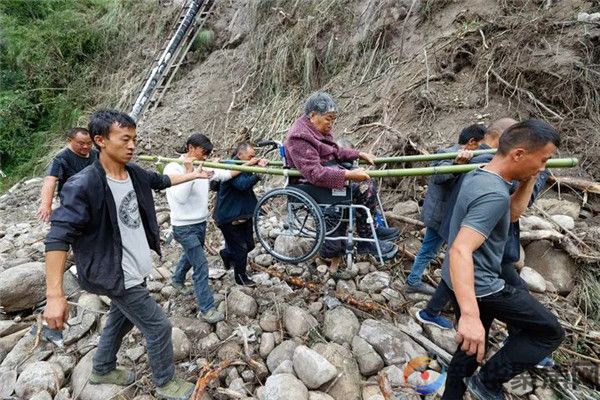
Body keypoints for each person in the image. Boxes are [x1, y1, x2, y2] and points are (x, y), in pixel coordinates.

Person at [44, 110, 210, 400]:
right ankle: (165, 382)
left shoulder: (133, 173)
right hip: (113, 272)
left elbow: (161, 181)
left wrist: (194, 173)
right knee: (158, 326)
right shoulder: (83, 184)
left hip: (135, 266)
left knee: (121, 319)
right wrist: (54, 295)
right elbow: (58, 237)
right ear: (101, 141)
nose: (132, 145)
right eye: (125, 139)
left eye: (134, 139)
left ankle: (102, 368)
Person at [440, 119, 564, 400]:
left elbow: (512, 214)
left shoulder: (480, 174)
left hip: (459, 279)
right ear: (518, 154)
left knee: (471, 349)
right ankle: (488, 382)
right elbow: (460, 249)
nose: (544, 167)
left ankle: (453, 395)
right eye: (542, 160)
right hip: (482, 285)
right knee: (548, 332)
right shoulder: (493, 194)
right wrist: (469, 316)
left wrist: (529, 176)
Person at [284, 91, 399, 260]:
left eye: (333, 119)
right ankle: (366, 241)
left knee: (367, 184)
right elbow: (314, 173)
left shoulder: (318, 128)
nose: (331, 123)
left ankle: (370, 228)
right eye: (328, 118)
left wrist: (358, 154)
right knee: (362, 187)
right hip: (311, 184)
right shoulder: (299, 136)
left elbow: (335, 151)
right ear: (313, 115)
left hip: (327, 173)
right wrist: (348, 174)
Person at [164, 133, 242, 323]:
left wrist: (249, 165)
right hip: (183, 227)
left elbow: (224, 174)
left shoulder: (203, 164)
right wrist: (191, 172)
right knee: (201, 265)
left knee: (191, 256)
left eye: (208, 153)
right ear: (191, 148)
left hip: (200, 223)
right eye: (203, 152)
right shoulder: (172, 167)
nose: (206, 156)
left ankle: (176, 280)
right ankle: (207, 309)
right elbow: (180, 197)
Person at [404, 123, 486, 295]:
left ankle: (421, 280)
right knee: (430, 248)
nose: (482, 149)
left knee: (435, 248)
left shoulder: (473, 157)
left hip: (451, 214)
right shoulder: (446, 153)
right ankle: (413, 280)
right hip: (440, 213)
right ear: (471, 142)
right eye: (480, 144)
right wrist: (456, 164)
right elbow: (440, 175)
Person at [215, 142, 268, 286]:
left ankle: (226, 253)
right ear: (240, 155)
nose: (253, 159)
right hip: (229, 216)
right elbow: (242, 185)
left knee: (250, 245)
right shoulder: (232, 166)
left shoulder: (244, 165)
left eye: (254, 156)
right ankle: (241, 278)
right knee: (241, 249)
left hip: (243, 214)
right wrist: (258, 172)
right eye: (250, 156)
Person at [37, 127, 98, 222]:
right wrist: (46, 204)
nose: (86, 146)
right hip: (73, 202)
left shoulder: (96, 154)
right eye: (81, 143)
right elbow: (50, 180)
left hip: (96, 198)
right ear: (70, 141)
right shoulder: (61, 159)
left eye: (89, 143)